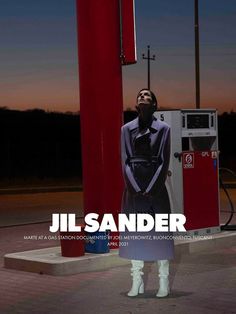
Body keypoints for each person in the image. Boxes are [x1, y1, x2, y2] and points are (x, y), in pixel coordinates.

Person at [119, 89, 174, 297]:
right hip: (133, 190)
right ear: (136, 104)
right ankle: (136, 280)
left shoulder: (164, 129)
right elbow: (124, 161)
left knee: (159, 235)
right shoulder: (126, 129)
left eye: (147, 96)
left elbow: (163, 160)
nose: (143, 97)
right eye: (140, 96)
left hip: (156, 189)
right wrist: (135, 189)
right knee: (135, 236)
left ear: (154, 105)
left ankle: (163, 281)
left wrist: (150, 190)